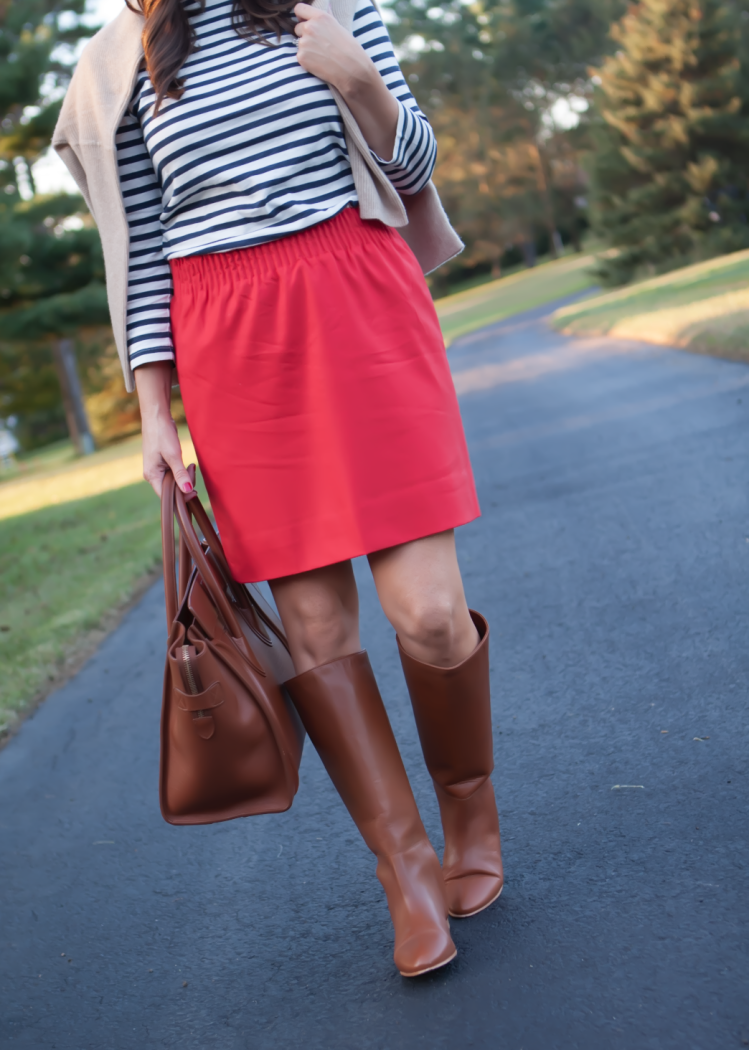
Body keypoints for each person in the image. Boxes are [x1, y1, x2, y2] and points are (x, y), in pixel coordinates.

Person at [53, 0, 503, 978]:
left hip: (358, 295)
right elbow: (136, 258)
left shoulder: (335, 6)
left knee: (426, 612)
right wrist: (156, 416)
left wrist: (353, 76)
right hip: (230, 343)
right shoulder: (127, 57)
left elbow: (414, 164)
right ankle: (406, 870)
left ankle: (467, 806)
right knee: (315, 631)